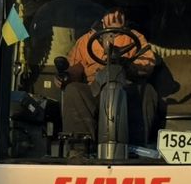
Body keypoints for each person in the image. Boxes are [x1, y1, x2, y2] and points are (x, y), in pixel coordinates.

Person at [60, 9, 158, 154]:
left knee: (147, 90)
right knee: (73, 90)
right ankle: (79, 149)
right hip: (94, 90)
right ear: (102, 17)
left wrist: (129, 66)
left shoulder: (135, 37)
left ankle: (137, 148)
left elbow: (148, 65)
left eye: (119, 14)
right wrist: (66, 75)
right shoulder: (86, 40)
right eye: (110, 13)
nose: (114, 17)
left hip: (125, 89)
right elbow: (76, 65)